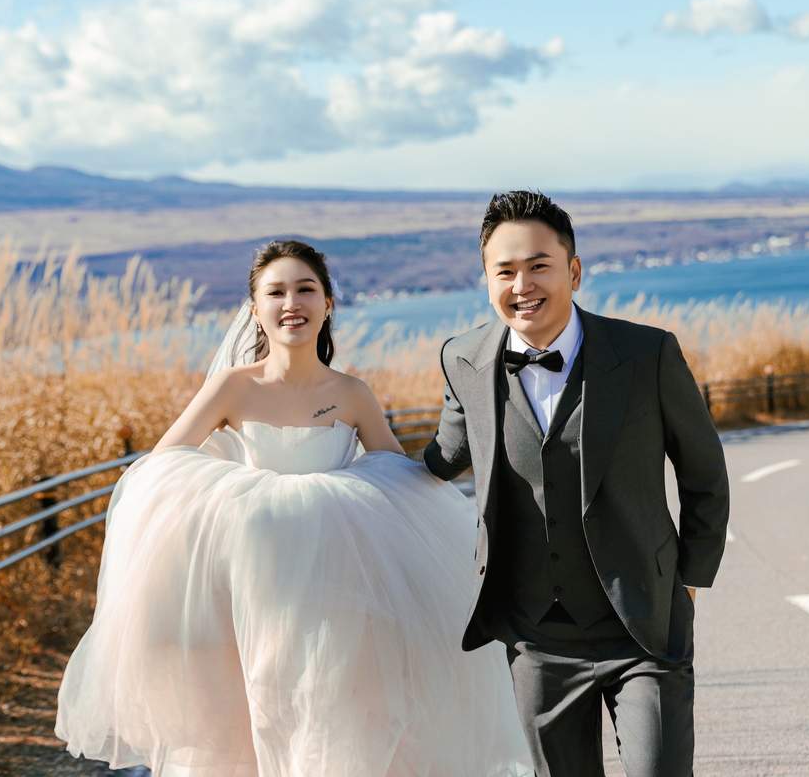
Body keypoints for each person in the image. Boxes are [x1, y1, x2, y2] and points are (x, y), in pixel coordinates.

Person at [54, 239, 532, 777]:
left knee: (333, 707)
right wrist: (241, 495)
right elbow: (162, 467)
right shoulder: (232, 388)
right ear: (255, 308)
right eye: (275, 292)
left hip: (335, 585)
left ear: (327, 303)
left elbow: (398, 479)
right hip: (255, 581)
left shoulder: (352, 393)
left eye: (306, 289)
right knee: (254, 709)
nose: (291, 303)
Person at [422, 191, 730, 777]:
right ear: (486, 279)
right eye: (504, 271)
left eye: (538, 265)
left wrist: (689, 580)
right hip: (535, 640)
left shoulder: (647, 353)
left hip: (643, 627)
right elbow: (442, 458)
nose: (522, 285)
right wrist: (340, 450)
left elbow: (704, 474)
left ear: (574, 270)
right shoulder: (463, 359)